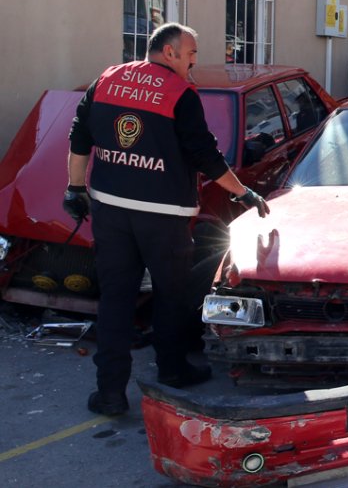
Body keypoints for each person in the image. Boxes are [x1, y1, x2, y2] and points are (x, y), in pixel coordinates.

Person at [64, 23, 269, 416]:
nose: (194, 60)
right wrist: (242, 192)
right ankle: (173, 371)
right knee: (170, 295)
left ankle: (110, 392)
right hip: (164, 215)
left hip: (110, 208)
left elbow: (79, 136)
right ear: (170, 52)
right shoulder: (180, 93)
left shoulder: (107, 79)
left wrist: (74, 189)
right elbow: (205, 155)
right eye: (191, 53)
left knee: (116, 299)